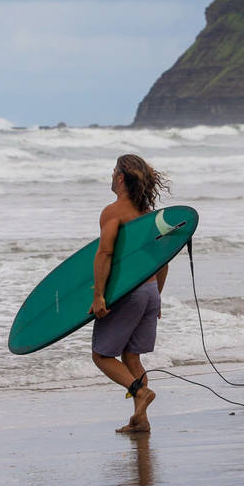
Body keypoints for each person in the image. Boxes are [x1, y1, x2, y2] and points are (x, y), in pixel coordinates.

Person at [90, 154, 170, 433]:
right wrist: (156, 297)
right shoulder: (149, 216)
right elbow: (163, 260)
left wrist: (98, 296)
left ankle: (139, 391)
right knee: (132, 356)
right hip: (149, 290)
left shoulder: (114, 211)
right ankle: (141, 420)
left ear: (121, 177)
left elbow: (105, 253)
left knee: (101, 356)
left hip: (130, 292)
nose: (111, 176)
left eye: (114, 172)